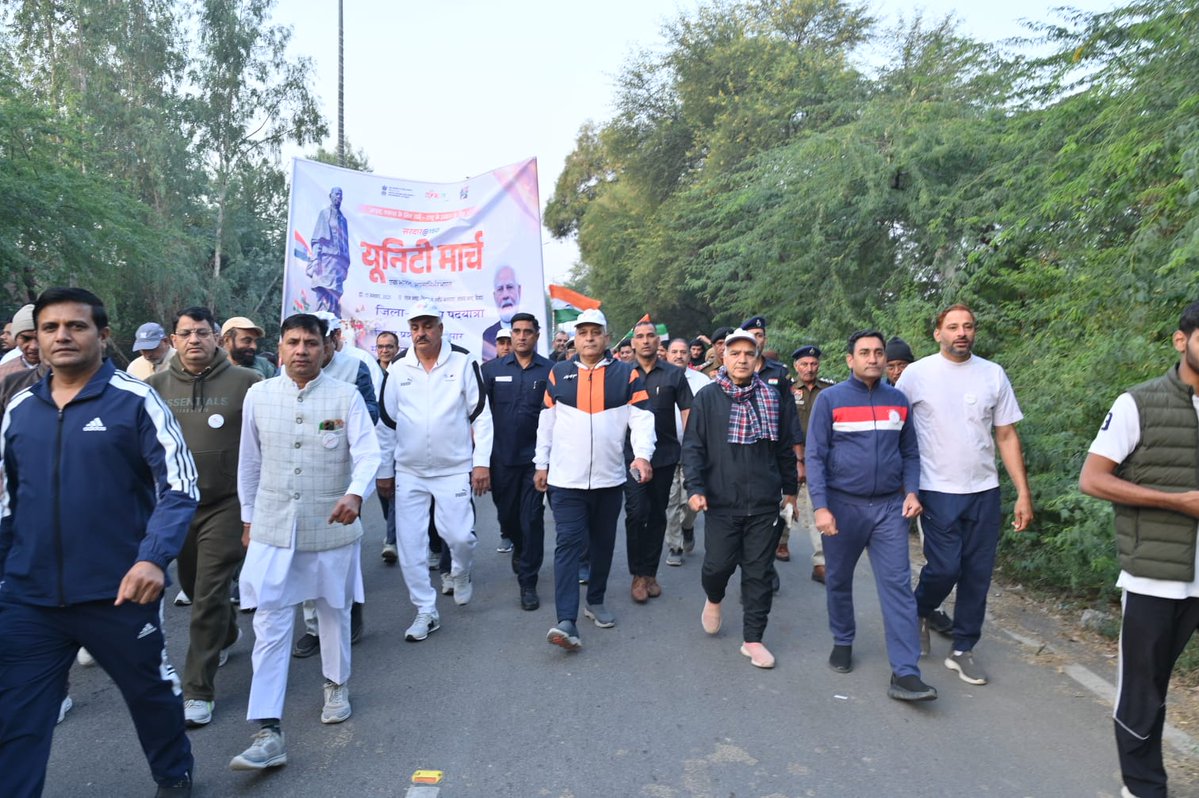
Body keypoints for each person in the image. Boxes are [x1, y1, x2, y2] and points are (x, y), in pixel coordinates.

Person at [0, 287, 199, 798]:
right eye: (50, 328)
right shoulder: (20, 410)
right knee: (16, 716)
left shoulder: (136, 400)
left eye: (76, 326)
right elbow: (7, 501)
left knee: (151, 693)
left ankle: (174, 776)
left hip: (120, 590)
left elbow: (179, 486)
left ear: (102, 335)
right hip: (29, 596)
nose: (62, 335)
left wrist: (153, 559)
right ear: (36, 340)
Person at [231, 313, 380, 771]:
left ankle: (335, 684)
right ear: (279, 348)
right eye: (292, 342)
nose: (301, 350)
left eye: (310, 343)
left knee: (333, 609)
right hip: (274, 528)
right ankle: (267, 726)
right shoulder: (259, 395)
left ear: (325, 348)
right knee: (271, 623)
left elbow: (369, 452)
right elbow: (249, 465)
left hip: (331, 526)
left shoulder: (345, 395)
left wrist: (356, 493)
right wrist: (249, 518)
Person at [1078, 300, 1199, 798]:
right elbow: (1093, 479)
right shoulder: (1139, 403)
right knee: (1143, 691)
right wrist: (1178, 503)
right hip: (1156, 575)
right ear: (1181, 340)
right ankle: (1144, 787)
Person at [895, 303, 1034, 685]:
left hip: (984, 491)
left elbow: (1005, 434)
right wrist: (905, 488)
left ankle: (963, 648)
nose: (962, 333)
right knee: (945, 568)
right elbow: (899, 433)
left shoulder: (992, 374)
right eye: (953, 327)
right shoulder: (916, 375)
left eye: (968, 326)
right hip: (936, 489)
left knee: (977, 574)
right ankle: (919, 610)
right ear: (937, 332)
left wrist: (1022, 492)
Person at [805, 330, 936, 701]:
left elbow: (910, 452)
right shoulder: (830, 400)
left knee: (897, 588)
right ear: (850, 360)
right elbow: (814, 456)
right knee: (839, 579)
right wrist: (821, 507)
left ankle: (906, 672)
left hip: (888, 509)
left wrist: (912, 491)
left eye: (879, 352)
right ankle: (843, 639)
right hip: (842, 507)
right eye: (865, 352)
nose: (874, 359)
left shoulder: (898, 400)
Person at [147, 307, 261, 728]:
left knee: (211, 591)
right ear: (173, 340)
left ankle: (197, 689)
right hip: (178, 506)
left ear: (217, 337)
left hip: (228, 502)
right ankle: (227, 632)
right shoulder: (154, 387)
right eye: (185, 333)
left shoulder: (248, 382)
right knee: (195, 588)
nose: (194, 340)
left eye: (202, 332)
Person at [535, 308, 655, 649]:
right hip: (565, 480)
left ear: (606, 337)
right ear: (575, 337)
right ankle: (566, 620)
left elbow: (642, 419)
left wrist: (642, 454)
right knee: (568, 543)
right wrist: (540, 464)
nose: (588, 337)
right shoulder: (559, 373)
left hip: (609, 479)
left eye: (595, 331)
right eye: (583, 331)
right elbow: (547, 423)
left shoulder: (627, 375)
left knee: (603, 544)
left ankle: (596, 600)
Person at [376, 300, 493, 642]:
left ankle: (460, 570)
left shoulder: (463, 360)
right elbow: (387, 422)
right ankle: (425, 610)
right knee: (411, 546)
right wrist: (386, 468)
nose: (421, 333)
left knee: (459, 536)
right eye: (415, 327)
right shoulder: (398, 367)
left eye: (428, 326)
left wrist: (481, 462)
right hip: (410, 471)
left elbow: (481, 416)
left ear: (440, 328)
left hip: (454, 468)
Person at [682, 329, 796, 669]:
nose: (742, 359)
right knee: (717, 566)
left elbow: (785, 449)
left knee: (759, 573)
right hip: (720, 501)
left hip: (764, 502)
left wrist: (790, 492)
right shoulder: (708, 398)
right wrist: (696, 488)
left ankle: (753, 639)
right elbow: (693, 448)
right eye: (735, 353)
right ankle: (714, 598)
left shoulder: (774, 398)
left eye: (749, 353)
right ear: (724, 358)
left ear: (757, 359)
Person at [290, 312, 377, 658]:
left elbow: (372, 409)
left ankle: (348, 608)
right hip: (301, 476)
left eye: (317, 342)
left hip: (344, 474)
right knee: (305, 552)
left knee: (340, 553)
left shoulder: (355, 368)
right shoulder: (290, 373)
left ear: (331, 341)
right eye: (300, 342)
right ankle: (313, 628)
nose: (309, 350)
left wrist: (338, 421)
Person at [481, 312, 552, 610]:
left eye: (528, 332)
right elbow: (479, 416)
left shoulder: (551, 371)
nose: (522, 336)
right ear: (510, 335)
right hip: (501, 460)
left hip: (535, 461)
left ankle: (528, 581)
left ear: (536, 336)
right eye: (517, 332)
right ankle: (519, 546)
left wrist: (547, 461)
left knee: (532, 519)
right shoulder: (491, 370)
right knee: (508, 518)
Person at [624, 319, 693, 601]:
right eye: (639, 336)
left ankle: (650, 573)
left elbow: (689, 411)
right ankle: (637, 575)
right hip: (631, 458)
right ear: (632, 344)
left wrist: (690, 449)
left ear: (658, 342)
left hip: (665, 456)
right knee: (635, 513)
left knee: (656, 515)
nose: (645, 340)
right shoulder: (623, 374)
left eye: (650, 336)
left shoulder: (674, 375)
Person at [786, 345, 835, 582]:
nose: (809, 368)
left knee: (819, 504)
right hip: (789, 455)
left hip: (820, 456)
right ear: (796, 366)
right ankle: (781, 542)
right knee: (786, 502)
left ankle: (820, 561)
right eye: (804, 364)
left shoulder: (829, 390)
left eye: (813, 364)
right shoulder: (786, 389)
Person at [665, 337, 713, 565]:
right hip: (665, 449)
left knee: (691, 499)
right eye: (674, 351)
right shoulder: (660, 377)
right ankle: (674, 546)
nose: (679, 356)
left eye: (683, 352)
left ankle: (687, 526)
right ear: (666, 354)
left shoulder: (702, 381)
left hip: (694, 450)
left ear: (689, 355)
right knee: (671, 500)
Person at [308, 187, 350, 314]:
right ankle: (321, 323)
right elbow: (317, 240)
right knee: (324, 292)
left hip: (338, 262)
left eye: (340, 195)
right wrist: (315, 259)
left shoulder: (343, 219)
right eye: (336, 194)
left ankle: (332, 323)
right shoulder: (324, 214)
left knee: (335, 295)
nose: (339, 197)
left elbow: (345, 244)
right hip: (325, 259)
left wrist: (345, 265)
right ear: (330, 196)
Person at [481, 266, 523, 361]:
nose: (505, 295)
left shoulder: (529, 332)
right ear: (494, 296)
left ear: (519, 291)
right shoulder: (488, 334)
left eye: (509, 287)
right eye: (500, 289)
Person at [0, 305, 40, 380]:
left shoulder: (64, 369)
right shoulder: (4, 373)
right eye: (26, 338)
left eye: (39, 339)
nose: (33, 346)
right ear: (16, 338)